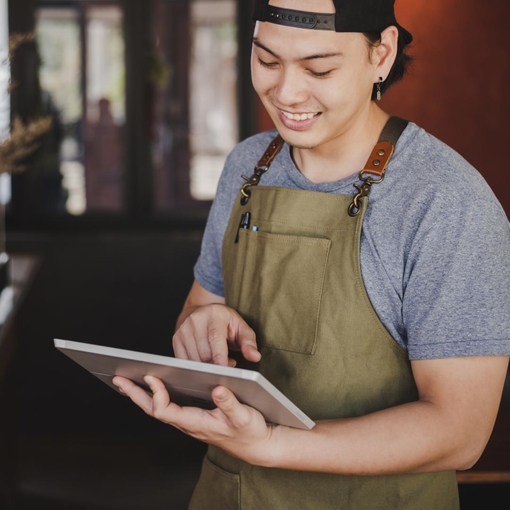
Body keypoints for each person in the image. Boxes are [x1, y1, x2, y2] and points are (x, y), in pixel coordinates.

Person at [113, 1, 510, 508]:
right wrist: (201, 323)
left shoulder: (445, 200)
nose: (286, 93)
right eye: (267, 60)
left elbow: (460, 432)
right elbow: (197, 308)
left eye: (319, 69)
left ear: (382, 53)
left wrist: (272, 444)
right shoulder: (247, 165)